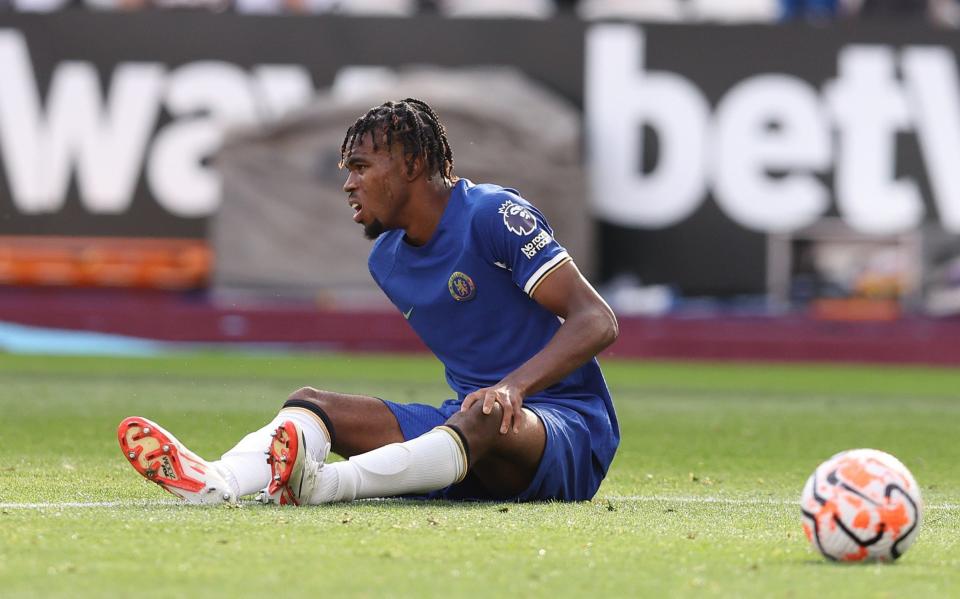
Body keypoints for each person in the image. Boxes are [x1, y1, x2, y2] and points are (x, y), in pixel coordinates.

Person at [118, 98, 620, 505]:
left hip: (564, 427)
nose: (348, 184)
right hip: (467, 430)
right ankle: (216, 481)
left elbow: (597, 319)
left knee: (486, 411)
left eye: (360, 167)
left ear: (413, 163)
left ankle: (324, 486)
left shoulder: (494, 214)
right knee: (312, 405)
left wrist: (513, 387)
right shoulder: (387, 262)